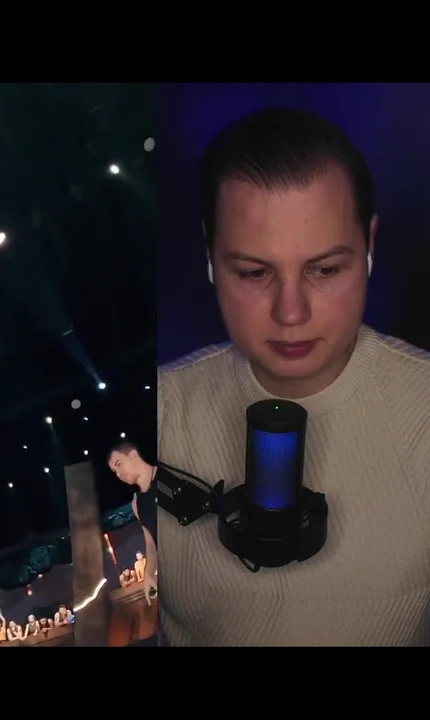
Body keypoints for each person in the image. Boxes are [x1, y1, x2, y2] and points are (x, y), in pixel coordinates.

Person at [157, 108, 430, 645]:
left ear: (370, 247)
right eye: (254, 272)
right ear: (211, 257)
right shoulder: (162, 413)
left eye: (324, 269)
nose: (290, 313)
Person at [107, 440, 157, 603]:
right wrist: (148, 573)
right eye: (114, 471)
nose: (118, 474)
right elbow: (151, 543)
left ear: (134, 455)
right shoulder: (137, 503)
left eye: (119, 464)